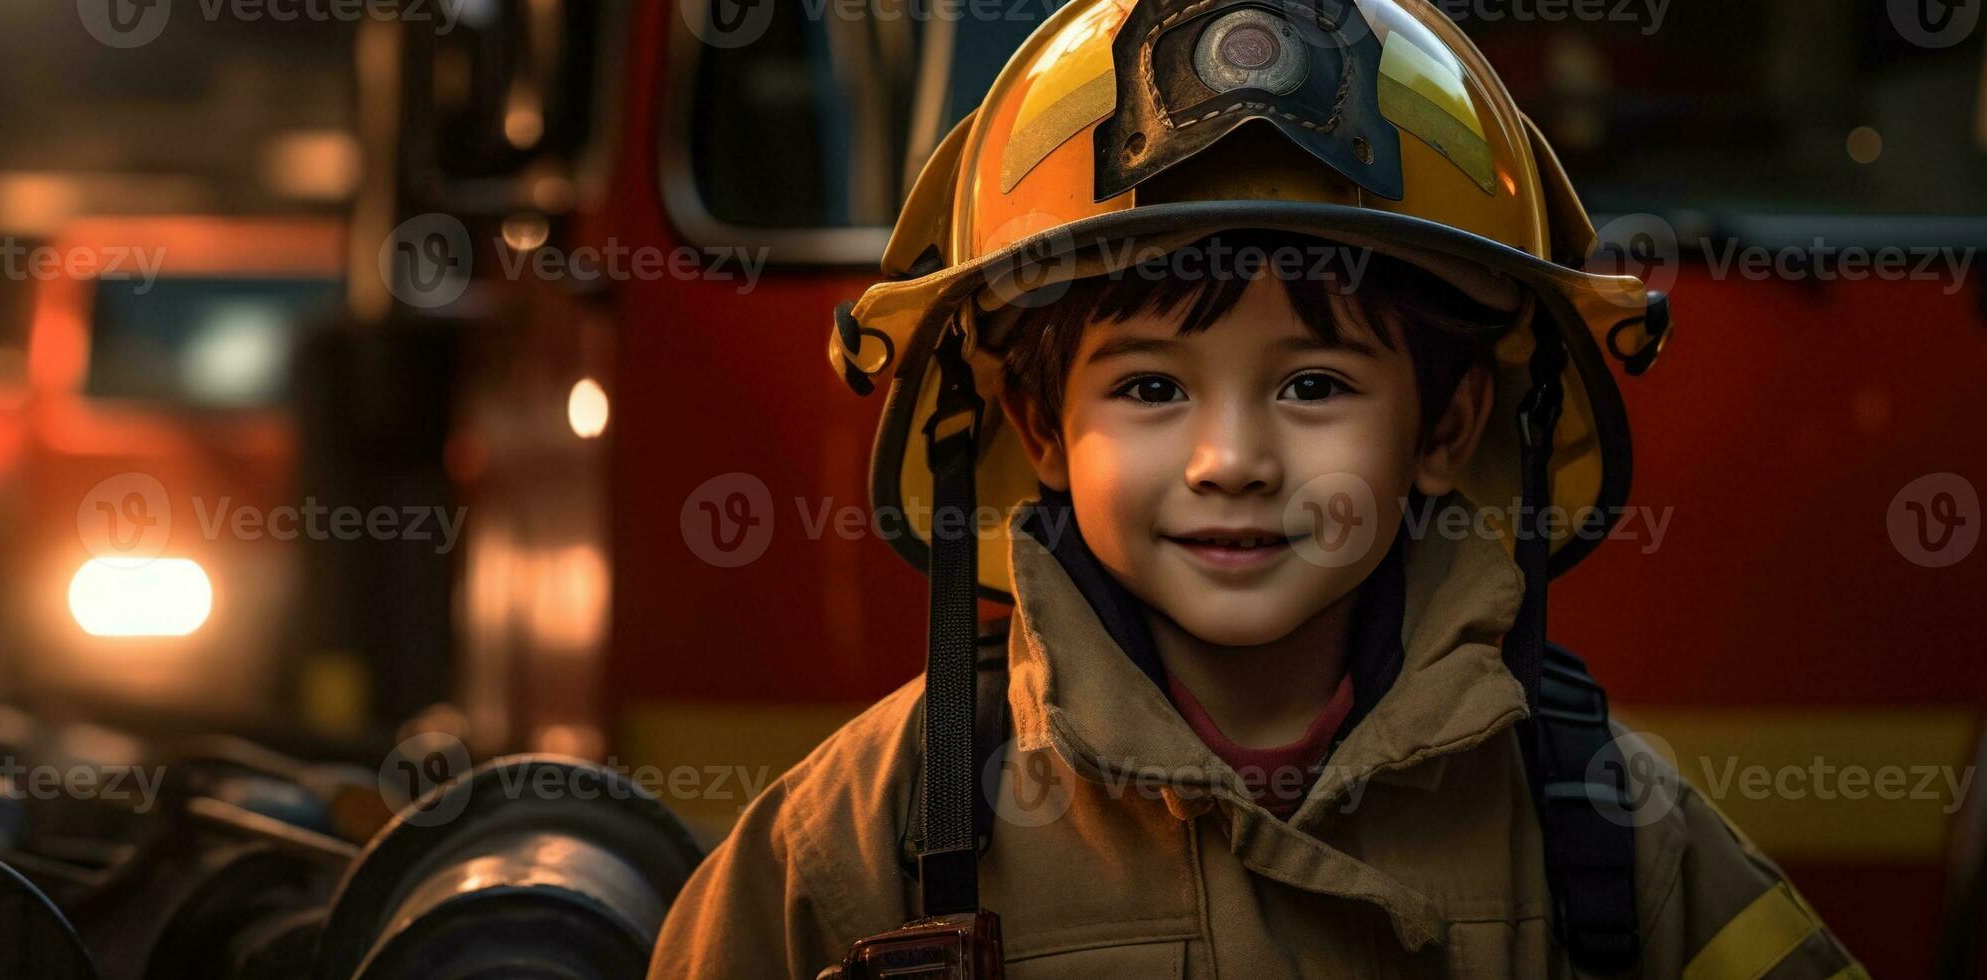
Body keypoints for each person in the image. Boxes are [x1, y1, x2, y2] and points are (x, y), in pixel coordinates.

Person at [651, 1, 1863, 977]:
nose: (1230, 458)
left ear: (1446, 425)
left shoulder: (1597, 824)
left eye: (1315, 384)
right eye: (1148, 390)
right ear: (1035, 424)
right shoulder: (860, 838)